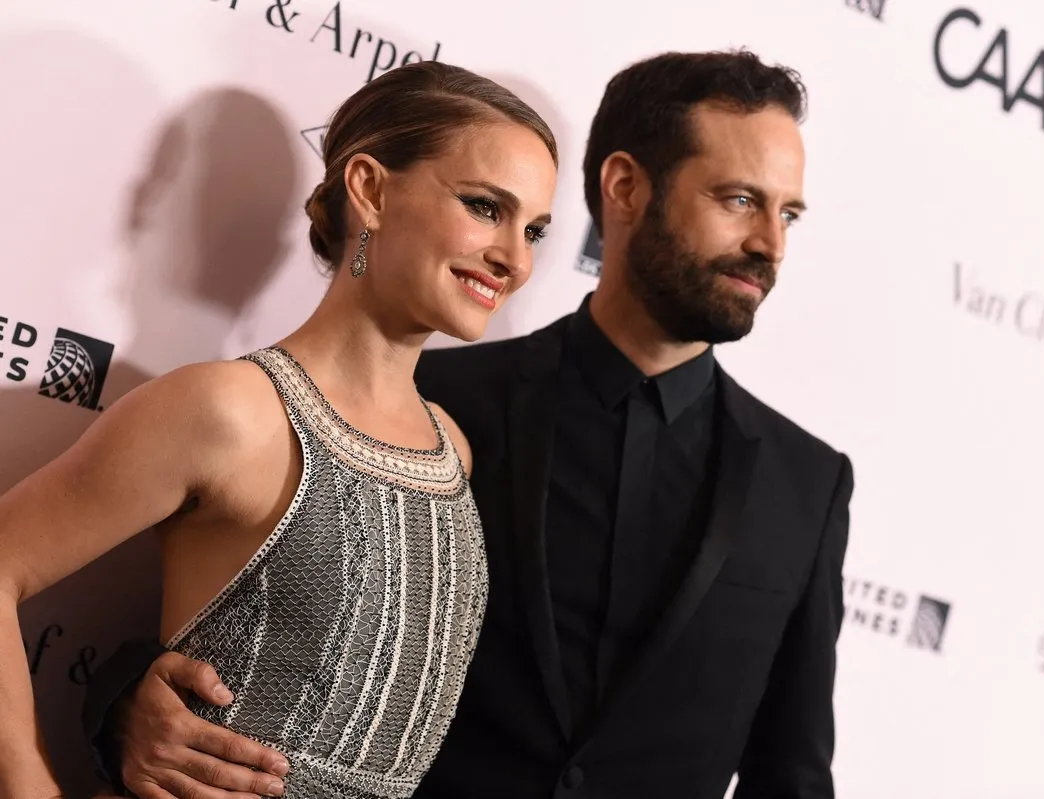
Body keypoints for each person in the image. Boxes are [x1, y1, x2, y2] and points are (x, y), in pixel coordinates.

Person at [85, 49, 853, 799]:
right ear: (624, 188)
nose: (770, 244)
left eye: (788, 212)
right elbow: (253, 608)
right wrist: (127, 707)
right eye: (739, 200)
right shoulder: (438, 403)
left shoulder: (805, 486)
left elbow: (791, 771)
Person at [0, 60, 557, 799]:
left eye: (535, 229)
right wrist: (28, 784)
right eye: (486, 207)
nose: (515, 258)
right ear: (371, 188)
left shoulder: (450, 445)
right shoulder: (231, 408)